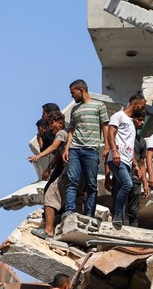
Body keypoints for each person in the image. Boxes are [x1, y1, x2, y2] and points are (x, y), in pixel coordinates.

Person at [62, 79, 110, 218]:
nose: (72, 96)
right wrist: (67, 149)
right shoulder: (75, 109)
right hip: (75, 149)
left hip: (91, 150)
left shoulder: (99, 106)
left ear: (81, 90)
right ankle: (69, 211)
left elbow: (105, 126)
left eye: (73, 93)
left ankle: (89, 214)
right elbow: (71, 130)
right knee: (72, 181)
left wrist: (107, 146)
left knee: (91, 185)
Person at [104, 95, 144, 229]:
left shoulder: (132, 123)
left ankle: (118, 219)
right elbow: (111, 133)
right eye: (142, 107)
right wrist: (114, 151)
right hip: (117, 159)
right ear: (135, 104)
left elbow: (129, 146)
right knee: (128, 184)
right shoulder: (118, 116)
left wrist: (135, 165)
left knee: (122, 188)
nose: (143, 110)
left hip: (127, 161)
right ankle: (117, 215)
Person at [28, 110, 67, 239]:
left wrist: (38, 156)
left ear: (60, 123)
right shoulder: (64, 133)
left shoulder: (61, 133)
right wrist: (48, 169)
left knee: (50, 193)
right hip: (71, 170)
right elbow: (57, 155)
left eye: (52, 123)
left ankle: (48, 230)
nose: (50, 127)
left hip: (68, 170)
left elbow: (54, 147)